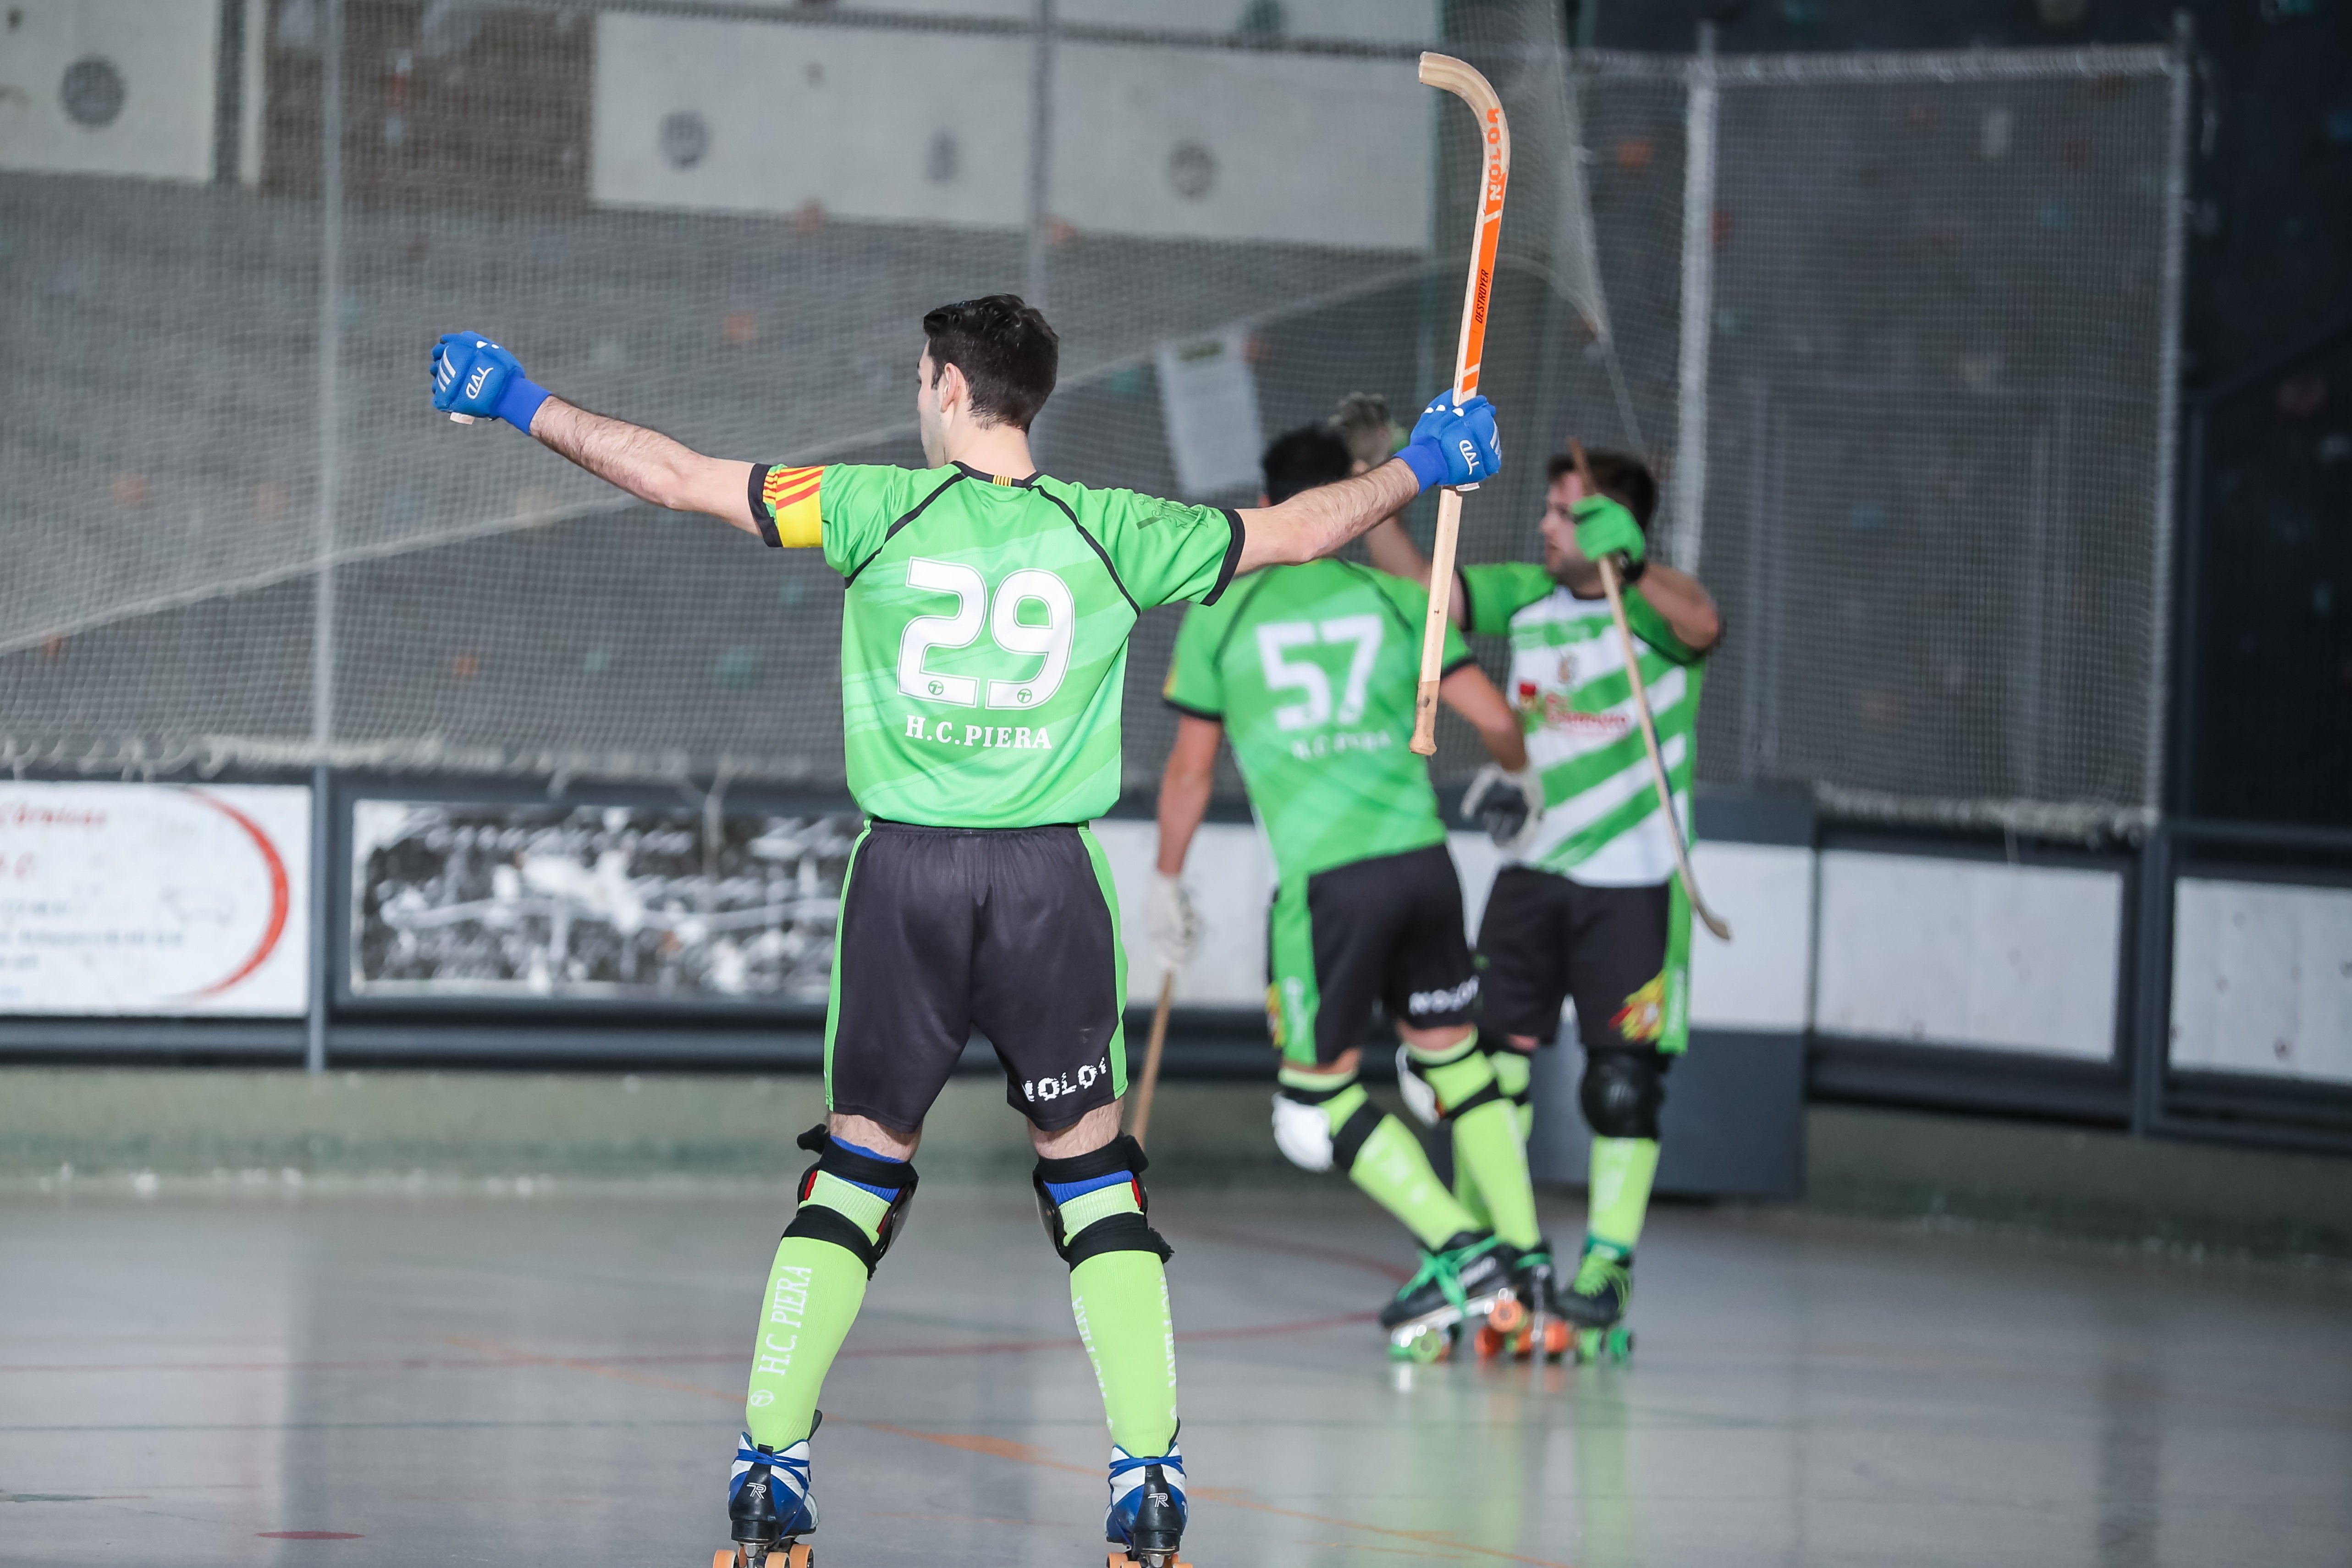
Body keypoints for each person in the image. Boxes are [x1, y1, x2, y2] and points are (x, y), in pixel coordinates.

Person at [424, 298, 1501, 1568]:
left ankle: (770, 1476)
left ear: (946, 385)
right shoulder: (1118, 530)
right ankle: (1147, 1483)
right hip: (1050, 883)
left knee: (857, 1171)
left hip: (906, 882)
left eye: (915, 378)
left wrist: (516, 400)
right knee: (1096, 1181)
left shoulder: (874, 506)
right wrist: (1421, 466)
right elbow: (1297, 528)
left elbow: (667, 474)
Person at [1147, 423, 1554, 1359]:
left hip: (1328, 889)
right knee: (1456, 1062)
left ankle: (1464, 1251)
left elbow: (1188, 776)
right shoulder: (1393, 598)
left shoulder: (1224, 612)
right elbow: (1495, 718)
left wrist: (1166, 885)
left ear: (1277, 501)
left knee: (1310, 1110)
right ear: (1350, 498)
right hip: (1422, 864)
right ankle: (1529, 1262)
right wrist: (1518, 780)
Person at [1366, 446, 1720, 1345]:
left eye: (1564, 512)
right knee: (1491, 1078)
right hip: (1530, 875)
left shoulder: (1656, 605)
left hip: (1632, 887)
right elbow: (1428, 588)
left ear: (1612, 522)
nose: (1546, 525)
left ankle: (1605, 1269)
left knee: (1621, 1088)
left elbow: (1704, 625)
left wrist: (1631, 563)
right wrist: (1379, 494)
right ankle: (1491, 1257)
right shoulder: (1530, 590)